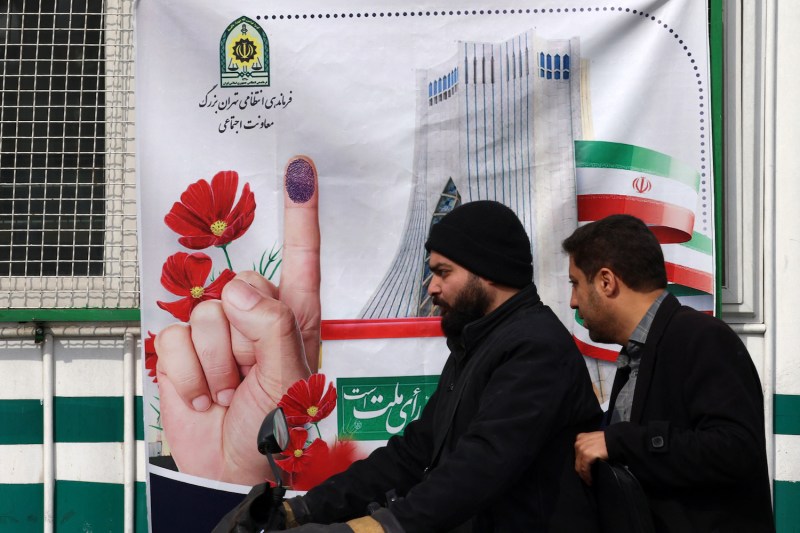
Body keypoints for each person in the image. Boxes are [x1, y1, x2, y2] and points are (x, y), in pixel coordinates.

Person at [278, 200, 602, 532]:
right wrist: (300, 509)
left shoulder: (536, 346)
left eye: (443, 272)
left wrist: (378, 528)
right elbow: (412, 454)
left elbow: (482, 465)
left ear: (488, 270)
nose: (431, 287)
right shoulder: (477, 343)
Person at [563, 214, 775, 532]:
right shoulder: (638, 352)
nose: (573, 301)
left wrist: (621, 441)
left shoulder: (702, 338)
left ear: (606, 282)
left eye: (576, 283)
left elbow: (736, 449)